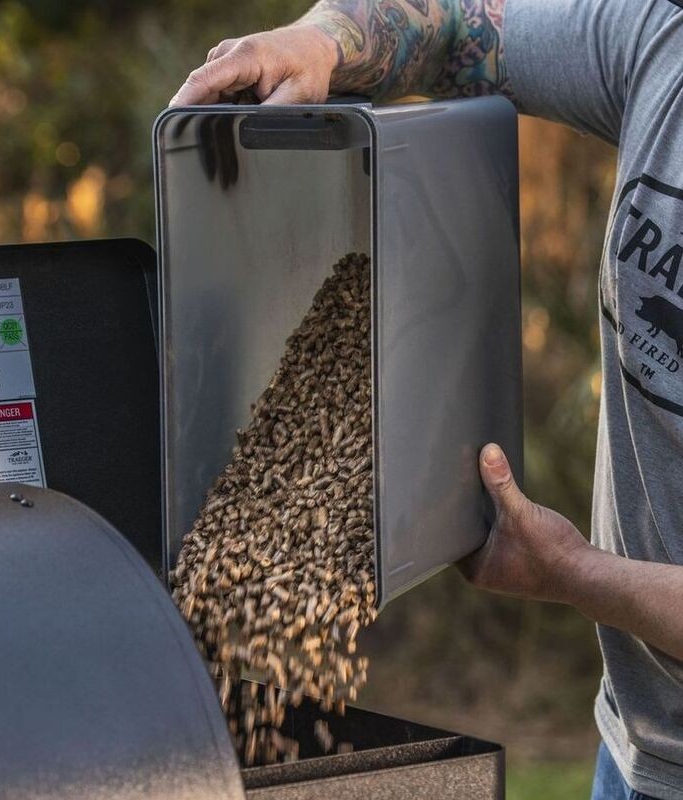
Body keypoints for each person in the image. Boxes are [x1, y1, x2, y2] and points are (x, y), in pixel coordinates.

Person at [170, 2, 683, 798]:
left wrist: (578, 573)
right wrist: (320, 43)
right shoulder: (661, 39)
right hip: (637, 745)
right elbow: (458, 26)